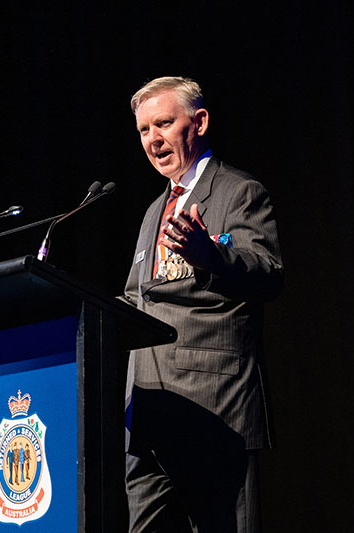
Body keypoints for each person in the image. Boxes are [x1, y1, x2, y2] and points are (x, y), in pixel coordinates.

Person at [122, 76, 283, 532]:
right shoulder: (155, 210)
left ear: (200, 122)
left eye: (164, 124)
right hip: (148, 413)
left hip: (214, 406)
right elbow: (138, 297)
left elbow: (268, 272)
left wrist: (211, 256)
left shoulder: (239, 192)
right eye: (143, 130)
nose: (153, 140)